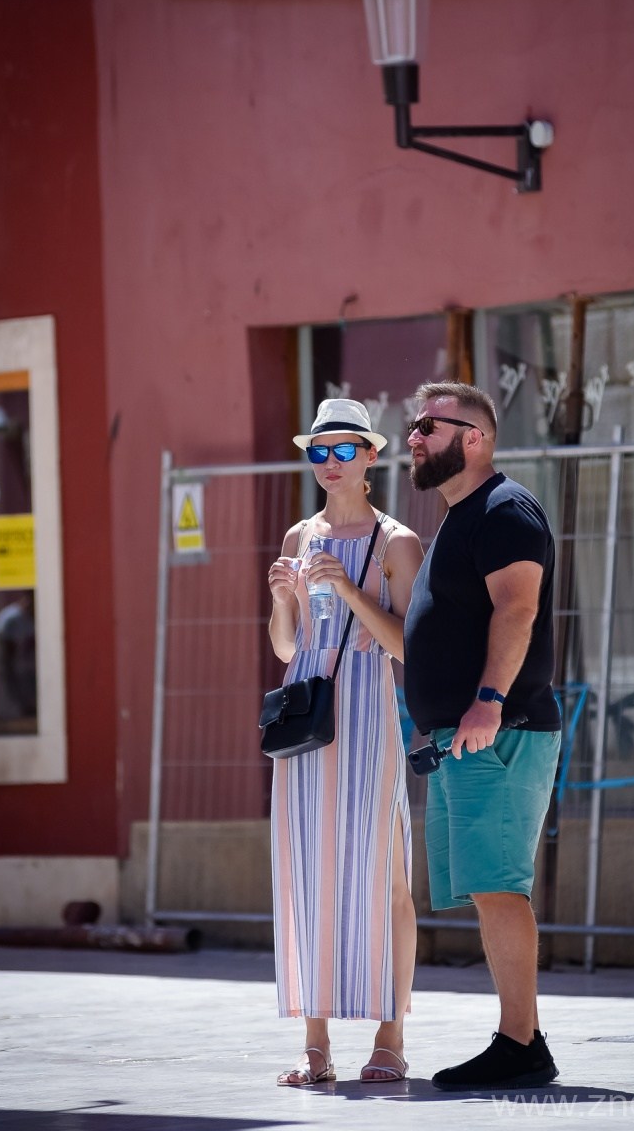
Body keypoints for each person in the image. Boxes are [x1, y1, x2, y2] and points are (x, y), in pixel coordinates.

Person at [403, 380, 562, 1092]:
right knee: (486, 887)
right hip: (462, 738)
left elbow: (517, 608)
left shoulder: (503, 508)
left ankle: (520, 1044)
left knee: (499, 887)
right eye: (413, 426)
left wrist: (488, 701)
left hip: (499, 731)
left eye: (428, 426)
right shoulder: (459, 518)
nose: (413, 438)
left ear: (475, 438)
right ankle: (519, 1037)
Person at [267, 397, 424, 1086]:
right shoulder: (298, 536)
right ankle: (315, 1044)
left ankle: (390, 1037)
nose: (329, 463)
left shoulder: (396, 542)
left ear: (370, 456)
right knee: (306, 872)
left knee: (385, 876)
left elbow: (409, 647)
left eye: (342, 450)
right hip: (307, 715)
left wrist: (353, 594)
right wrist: (282, 600)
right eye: (318, 451)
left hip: (365, 710)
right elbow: (286, 648)